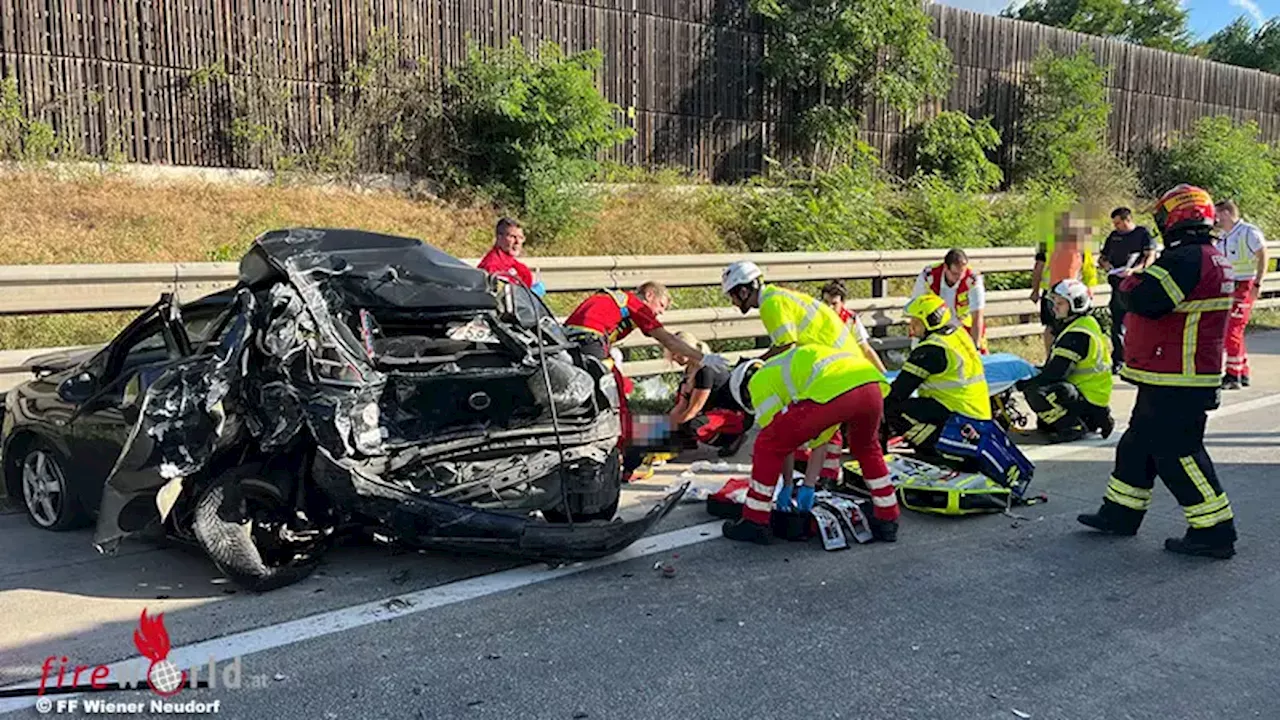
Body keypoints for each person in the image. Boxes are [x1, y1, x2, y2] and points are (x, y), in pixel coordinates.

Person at [1078, 184, 1237, 559]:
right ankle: (1121, 513)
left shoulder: (1186, 259)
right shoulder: (1206, 256)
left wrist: (1123, 280)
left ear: (1175, 217)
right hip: (1171, 373)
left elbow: (1146, 298)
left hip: (1178, 376)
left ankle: (1215, 531)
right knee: (1137, 445)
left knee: (1178, 453)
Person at [720, 345, 900, 545]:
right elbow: (821, 442)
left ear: (744, 390)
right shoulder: (788, 370)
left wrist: (788, 485)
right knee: (867, 448)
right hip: (868, 383)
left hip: (836, 388)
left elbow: (779, 444)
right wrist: (809, 485)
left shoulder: (758, 382)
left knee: (766, 444)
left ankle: (754, 520)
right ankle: (887, 519)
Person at [722, 261, 862, 490]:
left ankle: (822, 477)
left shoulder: (770, 304)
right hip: (841, 357)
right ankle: (824, 476)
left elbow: (786, 344)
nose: (733, 302)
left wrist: (758, 364)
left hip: (833, 360)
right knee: (829, 423)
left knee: (823, 420)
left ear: (744, 290)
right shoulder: (776, 296)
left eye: (733, 296)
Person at [565, 282, 729, 475]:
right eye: (661, 305)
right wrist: (704, 357)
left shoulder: (612, 300)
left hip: (568, 343)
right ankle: (625, 461)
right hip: (590, 343)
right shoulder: (636, 305)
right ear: (649, 295)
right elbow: (668, 339)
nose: (660, 313)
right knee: (617, 401)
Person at [883, 293, 992, 457]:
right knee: (918, 406)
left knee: (892, 409)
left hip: (957, 415)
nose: (911, 326)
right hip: (976, 413)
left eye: (916, 321)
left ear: (930, 321)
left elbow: (899, 391)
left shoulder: (931, 349)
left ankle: (934, 448)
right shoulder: (958, 334)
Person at [1015, 279, 1116, 443]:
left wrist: (1020, 384)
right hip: (1092, 395)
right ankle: (1097, 418)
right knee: (1045, 423)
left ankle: (1072, 426)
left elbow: (1056, 373)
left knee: (1035, 391)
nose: (1054, 307)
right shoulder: (1085, 323)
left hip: (1086, 397)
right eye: (1054, 302)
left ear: (1076, 304)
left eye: (1060, 303)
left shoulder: (1076, 334)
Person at [665, 331, 750, 458]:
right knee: (668, 421)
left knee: (693, 426)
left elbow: (693, 410)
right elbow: (681, 405)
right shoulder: (689, 370)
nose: (674, 358)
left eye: (676, 353)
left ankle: (732, 439)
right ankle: (683, 443)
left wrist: (670, 433)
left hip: (733, 414)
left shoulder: (705, 371)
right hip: (713, 411)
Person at [1213, 199, 1269, 389]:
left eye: (1217, 214)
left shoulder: (1248, 232)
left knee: (1232, 330)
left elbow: (1263, 255)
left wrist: (1258, 283)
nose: (1215, 219)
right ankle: (1242, 371)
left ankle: (1232, 375)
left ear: (1227, 213)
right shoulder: (1222, 235)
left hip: (1244, 285)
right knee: (1232, 329)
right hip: (1227, 286)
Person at [1031, 210, 1099, 357]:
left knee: (1069, 326)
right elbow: (1039, 267)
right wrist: (1035, 290)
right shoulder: (1047, 243)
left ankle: (1067, 357)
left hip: (1073, 294)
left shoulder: (1082, 245)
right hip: (1052, 292)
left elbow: (1089, 270)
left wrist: (1090, 290)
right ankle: (1050, 358)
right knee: (1051, 327)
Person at [1098, 207, 1158, 374]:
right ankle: (1119, 359)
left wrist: (1135, 270)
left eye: (1118, 223)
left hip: (1136, 285)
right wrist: (1106, 265)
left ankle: (1141, 358)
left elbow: (1150, 256)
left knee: (1138, 323)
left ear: (1127, 220)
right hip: (1117, 285)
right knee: (1117, 324)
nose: (1116, 226)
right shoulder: (1113, 236)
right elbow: (1102, 257)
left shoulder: (1142, 233)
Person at [911, 248, 988, 353]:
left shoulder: (973, 280)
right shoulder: (929, 275)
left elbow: (977, 316)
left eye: (962, 273)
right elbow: (916, 306)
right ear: (945, 267)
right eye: (955, 274)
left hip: (963, 327)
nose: (960, 277)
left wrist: (975, 348)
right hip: (934, 325)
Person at [819, 279, 888, 373]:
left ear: (842, 303)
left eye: (834, 304)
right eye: (826, 302)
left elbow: (866, 349)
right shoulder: (815, 318)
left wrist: (884, 374)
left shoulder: (850, 319)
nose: (829, 307)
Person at [477, 218, 545, 296]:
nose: (517, 242)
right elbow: (500, 300)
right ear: (499, 237)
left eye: (521, 238)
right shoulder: (492, 266)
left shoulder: (519, 268)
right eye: (512, 237)